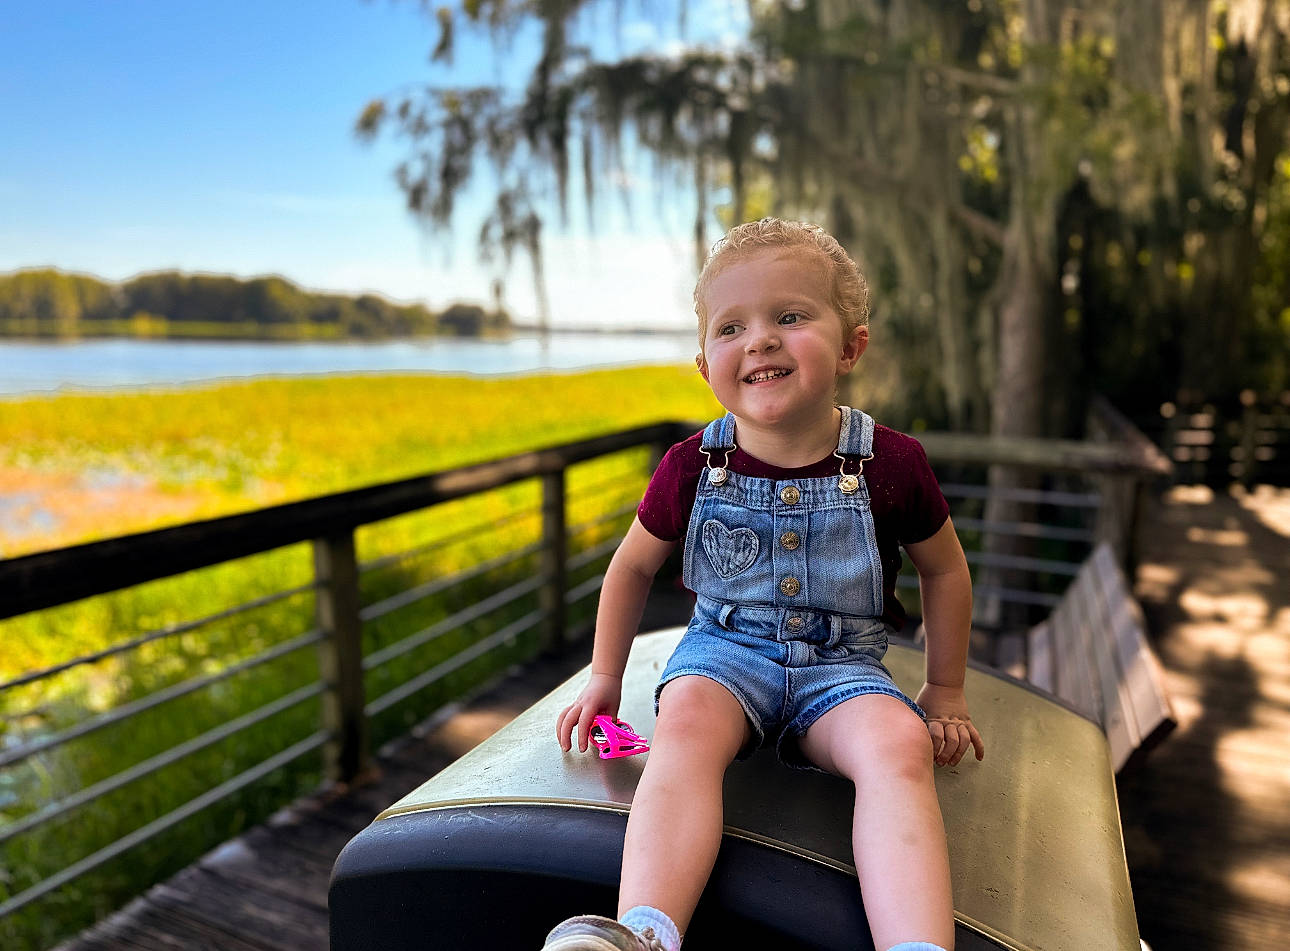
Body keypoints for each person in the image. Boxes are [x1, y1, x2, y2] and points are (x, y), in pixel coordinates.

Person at [544, 218, 985, 951]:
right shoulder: (691, 465)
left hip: (842, 668)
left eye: (790, 316)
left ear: (850, 346)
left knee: (899, 747)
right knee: (681, 726)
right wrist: (604, 675)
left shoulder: (892, 464)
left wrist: (944, 688)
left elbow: (945, 568)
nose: (760, 340)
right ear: (705, 365)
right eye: (731, 327)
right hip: (723, 656)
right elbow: (631, 565)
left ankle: (916, 945)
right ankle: (646, 933)